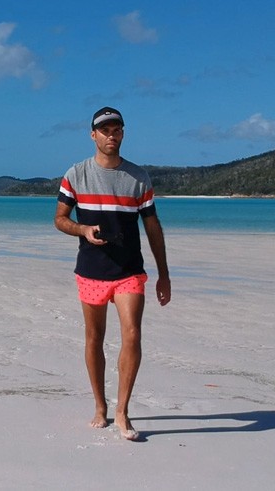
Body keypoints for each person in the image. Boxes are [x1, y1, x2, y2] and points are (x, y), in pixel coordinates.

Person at [54, 106, 171, 441]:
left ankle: (122, 413)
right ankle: (100, 407)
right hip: (91, 271)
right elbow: (59, 219)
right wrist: (83, 230)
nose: (111, 135)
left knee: (132, 334)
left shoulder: (138, 178)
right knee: (94, 339)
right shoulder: (76, 174)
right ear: (93, 135)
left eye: (116, 129)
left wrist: (163, 274)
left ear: (123, 133)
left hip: (129, 271)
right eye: (104, 130)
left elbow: (152, 226)